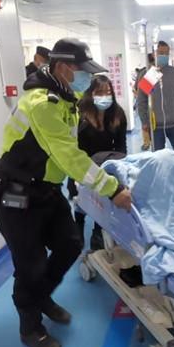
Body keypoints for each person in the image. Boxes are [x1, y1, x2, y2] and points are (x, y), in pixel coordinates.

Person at [0, 38, 132, 347]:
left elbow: (73, 146)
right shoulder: (42, 103)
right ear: (64, 67)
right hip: (16, 192)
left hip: (46, 189)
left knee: (70, 243)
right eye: (82, 70)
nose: (86, 77)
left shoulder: (65, 98)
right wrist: (112, 189)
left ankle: (40, 295)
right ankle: (30, 326)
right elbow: (69, 155)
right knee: (30, 263)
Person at [68, 75, 127, 250]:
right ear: (91, 93)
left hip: (106, 165)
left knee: (103, 203)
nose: (104, 96)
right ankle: (78, 228)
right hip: (83, 165)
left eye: (108, 92)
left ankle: (97, 233)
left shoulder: (117, 114)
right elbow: (74, 147)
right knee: (81, 202)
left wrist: (120, 166)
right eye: (100, 92)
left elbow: (121, 146)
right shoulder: (81, 115)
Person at [137, 41, 174, 151]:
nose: (164, 56)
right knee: (158, 157)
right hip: (156, 125)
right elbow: (142, 100)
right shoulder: (149, 74)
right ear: (154, 54)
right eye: (161, 53)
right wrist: (144, 121)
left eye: (166, 53)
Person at [134, 54, 155, 151]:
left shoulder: (144, 72)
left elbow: (138, 91)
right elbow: (142, 96)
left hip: (148, 108)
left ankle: (147, 143)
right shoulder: (151, 72)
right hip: (150, 107)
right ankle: (148, 143)